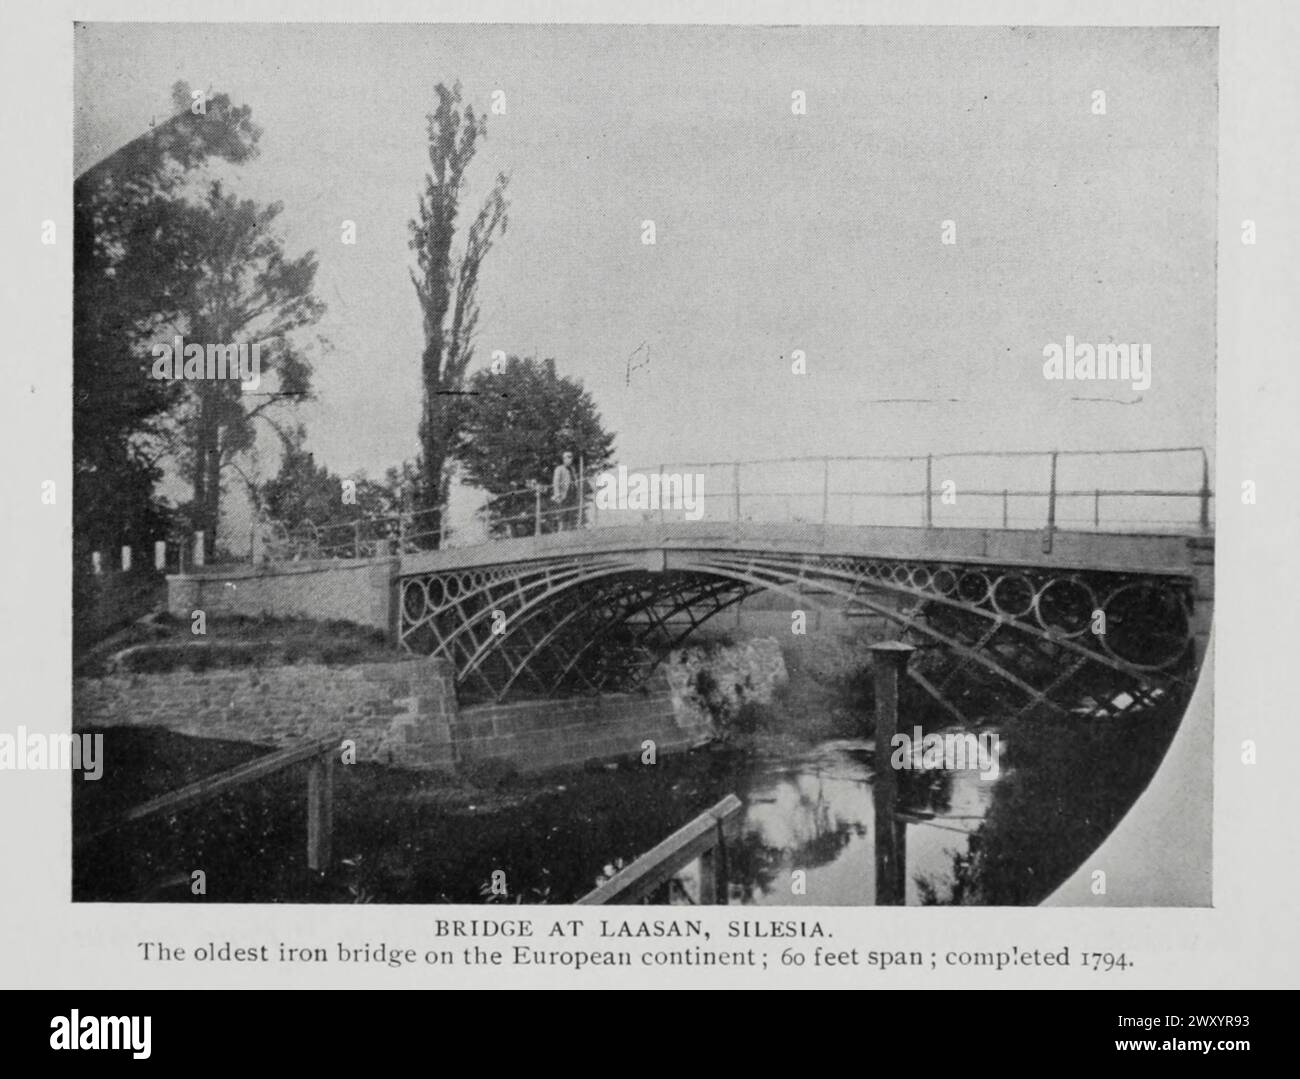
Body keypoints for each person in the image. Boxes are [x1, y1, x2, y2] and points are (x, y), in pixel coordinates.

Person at [550, 451, 579, 531]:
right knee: (562, 515)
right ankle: (561, 532)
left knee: (571, 514)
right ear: (564, 459)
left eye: (571, 457)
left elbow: (575, 480)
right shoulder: (559, 469)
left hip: (572, 494)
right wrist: (557, 494)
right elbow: (556, 482)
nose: (570, 459)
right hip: (563, 496)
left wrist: (577, 491)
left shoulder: (572, 469)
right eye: (568, 457)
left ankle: (570, 532)